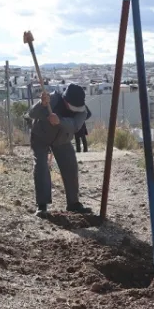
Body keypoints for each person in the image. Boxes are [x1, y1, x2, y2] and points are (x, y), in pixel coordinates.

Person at [27, 83, 93, 218]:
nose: (75, 110)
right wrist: (42, 104)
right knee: (41, 165)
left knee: (70, 165)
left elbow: (74, 126)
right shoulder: (52, 99)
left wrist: (60, 121)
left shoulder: (83, 110)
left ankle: (73, 204)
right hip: (41, 136)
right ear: (65, 99)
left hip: (62, 140)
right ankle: (42, 205)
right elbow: (32, 114)